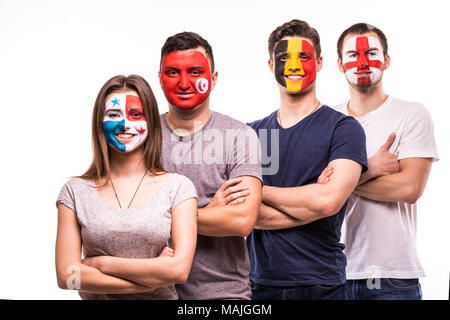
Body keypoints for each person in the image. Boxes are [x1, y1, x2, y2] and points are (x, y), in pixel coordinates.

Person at [246, 19, 368, 300]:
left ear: (320, 61)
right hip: (259, 285)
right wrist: (310, 200)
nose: (293, 67)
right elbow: (239, 213)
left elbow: (328, 201)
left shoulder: (344, 128)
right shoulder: (249, 134)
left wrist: (258, 191)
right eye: (283, 58)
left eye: (303, 57)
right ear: (269, 65)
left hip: (322, 285)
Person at [55, 74, 198, 300]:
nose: (124, 124)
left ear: (150, 121)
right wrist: (150, 278)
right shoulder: (74, 191)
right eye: (114, 114)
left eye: (136, 114)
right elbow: (67, 277)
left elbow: (179, 271)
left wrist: (102, 263)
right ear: (99, 122)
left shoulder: (178, 188)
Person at [334, 23, 439, 300]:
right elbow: (307, 186)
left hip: (393, 277)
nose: (363, 62)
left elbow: (409, 188)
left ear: (387, 60)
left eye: (371, 53)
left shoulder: (412, 114)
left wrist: (337, 183)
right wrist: (373, 167)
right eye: (353, 55)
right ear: (339, 64)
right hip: (331, 273)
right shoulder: (326, 120)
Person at [158, 31, 263, 299]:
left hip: (223, 294)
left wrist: (160, 215)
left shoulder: (239, 136)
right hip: (152, 291)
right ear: (160, 78)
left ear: (213, 79)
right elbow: (117, 215)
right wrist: (208, 212)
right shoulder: (141, 136)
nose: (184, 82)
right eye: (172, 72)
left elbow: (241, 220)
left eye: (195, 72)